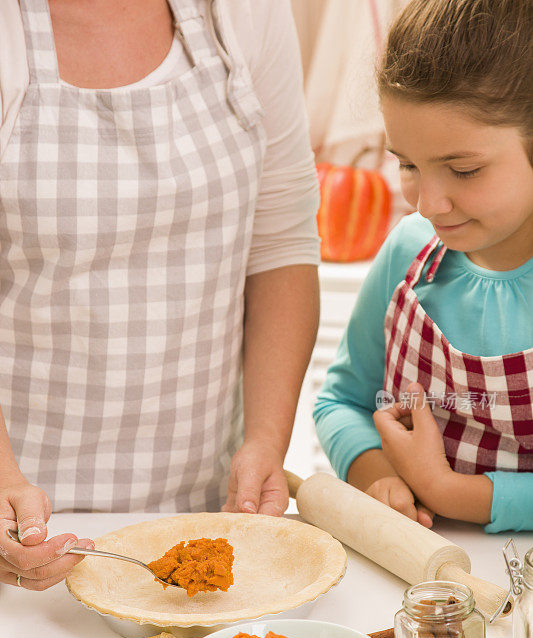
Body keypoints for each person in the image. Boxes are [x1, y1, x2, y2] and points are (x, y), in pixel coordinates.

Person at [0, 0, 320, 590]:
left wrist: (265, 440)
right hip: (21, 521)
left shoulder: (245, 13)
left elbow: (280, 246)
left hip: (203, 512)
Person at [314, 0, 533, 533]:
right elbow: (339, 401)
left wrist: (448, 492)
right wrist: (376, 475)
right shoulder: (408, 251)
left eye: (463, 170)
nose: (428, 203)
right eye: (408, 164)